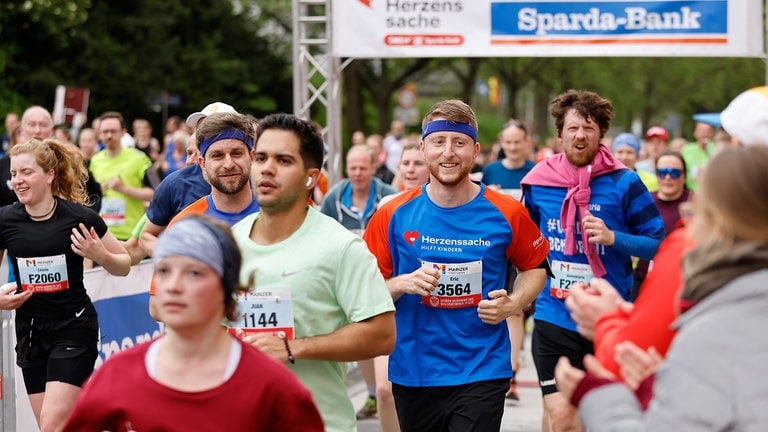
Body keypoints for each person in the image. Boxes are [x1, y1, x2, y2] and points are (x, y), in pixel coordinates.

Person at [364, 99, 551, 431]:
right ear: (423, 148)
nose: (448, 152)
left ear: (475, 150)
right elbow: (364, 290)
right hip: (415, 371)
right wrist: (401, 283)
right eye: (439, 141)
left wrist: (514, 304)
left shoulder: (506, 212)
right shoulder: (392, 214)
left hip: (482, 368)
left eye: (459, 142)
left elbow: (535, 267)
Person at [555, 144, 768, 431]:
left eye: (695, 212)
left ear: (719, 223)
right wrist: (657, 383)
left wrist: (598, 395)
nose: (689, 222)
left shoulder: (710, 333)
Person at [63, 216, 324, 431]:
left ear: (226, 285)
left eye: (194, 272)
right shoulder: (117, 375)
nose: (174, 286)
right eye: (164, 270)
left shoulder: (273, 386)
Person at [232, 112, 396, 432]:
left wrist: (293, 348)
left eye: (283, 160)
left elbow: (382, 333)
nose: (267, 168)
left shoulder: (340, 247)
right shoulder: (227, 244)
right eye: (261, 157)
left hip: (318, 422)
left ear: (310, 177)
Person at [520, 89, 664, 432]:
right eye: (572, 128)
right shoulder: (539, 182)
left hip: (607, 318)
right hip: (554, 313)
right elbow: (526, 244)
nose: (580, 135)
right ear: (559, 134)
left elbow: (659, 245)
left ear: (601, 135)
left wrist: (615, 238)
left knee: (585, 417)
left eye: (588, 128)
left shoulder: (624, 182)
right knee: (559, 413)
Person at [0, 138, 130, 432]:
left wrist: (100, 254)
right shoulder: (6, 220)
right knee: (61, 426)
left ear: (49, 175)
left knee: (51, 425)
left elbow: (123, 265)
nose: (18, 180)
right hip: (31, 332)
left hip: (73, 327)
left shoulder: (79, 217)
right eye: (14, 174)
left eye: (26, 172)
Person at [147, 112, 260, 319]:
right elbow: (156, 307)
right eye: (217, 155)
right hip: (210, 348)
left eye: (236, 153)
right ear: (202, 163)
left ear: (251, 157)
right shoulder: (185, 224)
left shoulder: (277, 213)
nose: (228, 164)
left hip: (272, 347)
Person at [374, 140, 431, 432]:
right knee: (384, 389)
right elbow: (371, 270)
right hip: (388, 310)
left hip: (426, 319)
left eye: (417, 163)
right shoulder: (387, 207)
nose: (410, 169)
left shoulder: (443, 205)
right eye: (405, 163)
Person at [481, 120, 537, 401]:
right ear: (501, 143)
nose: (513, 147)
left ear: (527, 143)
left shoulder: (536, 172)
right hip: (495, 250)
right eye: (508, 142)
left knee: (516, 311)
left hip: (523, 249)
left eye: (518, 142)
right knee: (496, 306)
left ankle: (512, 373)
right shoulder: (491, 171)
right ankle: (500, 367)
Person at [138, 102, 237, 257]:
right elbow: (144, 237)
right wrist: (179, 259)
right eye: (200, 130)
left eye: (214, 130)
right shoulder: (175, 183)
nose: (204, 137)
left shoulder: (258, 180)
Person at [89, 111, 155, 241]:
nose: (109, 135)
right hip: (102, 234)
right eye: (105, 131)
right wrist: (98, 192)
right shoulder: (95, 160)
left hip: (131, 235)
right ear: (99, 134)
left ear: (123, 132)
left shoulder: (140, 158)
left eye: (113, 131)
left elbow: (156, 193)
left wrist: (124, 189)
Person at [320, 145, 397, 236]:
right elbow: (321, 234)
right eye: (353, 168)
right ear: (346, 169)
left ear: (373, 169)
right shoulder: (333, 199)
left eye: (362, 168)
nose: (357, 173)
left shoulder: (389, 197)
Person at [680, 121, 715, 190]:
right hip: (691, 191)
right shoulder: (687, 149)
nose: (704, 134)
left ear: (712, 133)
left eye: (708, 131)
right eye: (701, 130)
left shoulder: (717, 149)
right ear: (695, 133)